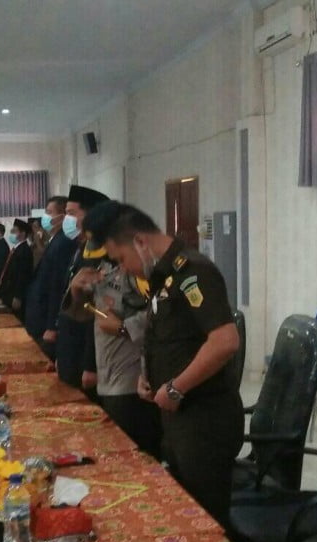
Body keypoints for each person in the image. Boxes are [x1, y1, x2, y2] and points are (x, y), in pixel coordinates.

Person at [102, 205, 242, 525]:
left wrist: (177, 388)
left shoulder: (194, 271)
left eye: (122, 259)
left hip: (204, 421)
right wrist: (147, 375)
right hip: (177, 419)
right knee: (184, 515)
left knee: (206, 524)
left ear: (140, 241)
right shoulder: (163, 276)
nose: (123, 269)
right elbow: (168, 337)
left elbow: (225, 341)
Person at [64, 201, 162, 458]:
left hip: (132, 380)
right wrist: (77, 292)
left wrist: (123, 328)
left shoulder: (140, 268)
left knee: (134, 457)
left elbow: (161, 311)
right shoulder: (105, 266)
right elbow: (92, 314)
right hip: (108, 372)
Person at [54, 185, 109, 391]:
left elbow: (96, 313)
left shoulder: (102, 255)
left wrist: (90, 365)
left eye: (71, 213)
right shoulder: (82, 247)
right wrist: (60, 351)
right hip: (69, 345)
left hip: (84, 352)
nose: (66, 220)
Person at [24, 197, 76, 359]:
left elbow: (57, 285)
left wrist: (51, 325)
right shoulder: (55, 240)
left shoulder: (63, 242)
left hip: (46, 318)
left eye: (49, 212)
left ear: (62, 216)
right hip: (39, 314)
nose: (45, 217)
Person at [0, 219, 34, 319]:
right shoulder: (17, 249)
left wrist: (18, 297)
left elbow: (22, 276)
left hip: (15, 296)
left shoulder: (24, 251)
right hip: (9, 293)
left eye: (15, 231)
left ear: (23, 233)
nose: (12, 233)